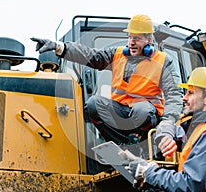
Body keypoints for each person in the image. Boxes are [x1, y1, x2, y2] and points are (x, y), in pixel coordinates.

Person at [31, 14, 183, 150]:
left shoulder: (163, 61)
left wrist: (168, 121)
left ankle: (143, 144)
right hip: (121, 113)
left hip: (146, 115)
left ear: (149, 40)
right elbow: (91, 56)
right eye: (129, 37)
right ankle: (124, 145)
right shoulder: (117, 54)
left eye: (136, 38)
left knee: (142, 110)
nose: (131, 42)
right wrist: (59, 47)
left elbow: (174, 94)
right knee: (93, 104)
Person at [123, 67, 206, 191]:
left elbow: (191, 185)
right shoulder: (198, 129)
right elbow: (173, 129)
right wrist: (166, 135)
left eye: (190, 93)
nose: (184, 97)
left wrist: (149, 172)